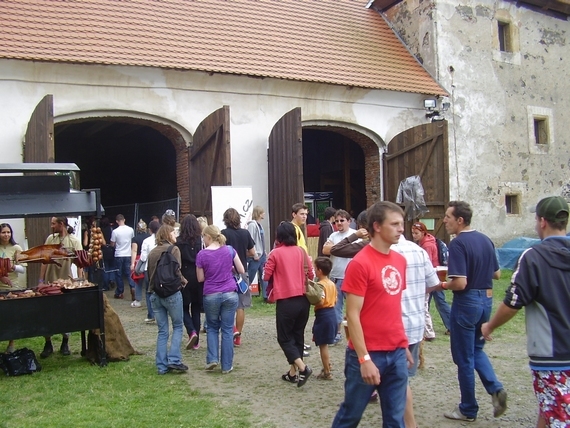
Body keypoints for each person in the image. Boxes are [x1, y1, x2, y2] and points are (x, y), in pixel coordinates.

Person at [481, 196, 570, 428]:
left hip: (552, 356)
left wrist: (489, 326)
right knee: (549, 410)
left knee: (558, 418)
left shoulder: (533, 257)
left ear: (542, 221)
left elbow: (513, 302)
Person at [332, 201, 410, 428]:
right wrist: (364, 358)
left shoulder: (400, 261)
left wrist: (402, 344)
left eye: (402, 224)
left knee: (395, 419)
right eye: (394, 224)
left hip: (395, 353)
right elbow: (352, 315)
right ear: (377, 226)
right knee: (351, 416)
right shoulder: (360, 263)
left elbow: (393, 307)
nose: (400, 229)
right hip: (366, 354)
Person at [441, 200, 507, 422]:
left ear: (460, 220)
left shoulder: (458, 244)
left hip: (466, 302)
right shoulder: (486, 240)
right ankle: (495, 388)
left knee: (464, 358)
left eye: (448, 217)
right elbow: (497, 274)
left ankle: (468, 408)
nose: (444, 221)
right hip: (486, 300)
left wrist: (444, 285)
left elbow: (459, 283)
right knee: (477, 349)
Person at [392, 235, 441, 428]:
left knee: (397, 381)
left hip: (393, 325)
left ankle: (407, 422)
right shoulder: (419, 251)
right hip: (414, 322)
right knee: (402, 379)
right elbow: (434, 283)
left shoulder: (383, 252)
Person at [263, 222, 314, 387]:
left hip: (286, 300)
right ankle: (293, 373)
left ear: (279, 236)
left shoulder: (275, 253)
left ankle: (303, 368)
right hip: (303, 300)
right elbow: (311, 274)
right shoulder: (302, 252)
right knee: (297, 336)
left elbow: (266, 275)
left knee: (284, 338)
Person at [196, 225, 243, 373]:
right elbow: (241, 269)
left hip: (211, 294)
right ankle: (227, 366)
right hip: (230, 292)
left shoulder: (202, 255)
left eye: (203, 236)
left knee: (212, 327)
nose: (203, 239)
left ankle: (212, 359)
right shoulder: (229, 250)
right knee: (228, 329)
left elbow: (200, 278)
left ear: (208, 237)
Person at [38, 216, 83, 358]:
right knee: (47, 314)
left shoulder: (74, 241)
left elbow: (80, 262)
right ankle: (48, 343)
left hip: (65, 284)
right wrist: (41, 280)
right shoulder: (50, 240)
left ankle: (65, 342)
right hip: (50, 283)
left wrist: (78, 281)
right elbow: (44, 261)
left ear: (61, 224)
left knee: (65, 313)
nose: (51, 226)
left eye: (53, 224)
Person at [147, 224, 188, 375]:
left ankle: (161, 366)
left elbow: (150, 274)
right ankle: (174, 359)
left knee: (162, 331)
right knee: (177, 326)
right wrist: (183, 281)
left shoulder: (152, 252)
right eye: (173, 232)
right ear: (167, 235)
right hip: (171, 293)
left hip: (155, 294)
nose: (175, 234)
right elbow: (177, 270)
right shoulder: (174, 250)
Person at [411, 221, 451, 340]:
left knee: (439, 303)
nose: (414, 235)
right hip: (434, 276)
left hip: (432, 277)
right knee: (428, 304)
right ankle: (426, 330)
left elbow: (425, 264)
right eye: (413, 233)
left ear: (423, 232)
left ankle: (436, 330)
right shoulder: (426, 241)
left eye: (416, 233)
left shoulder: (427, 245)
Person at [221, 208, 255, 346]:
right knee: (240, 306)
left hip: (226, 272)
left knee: (225, 304)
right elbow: (252, 252)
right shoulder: (245, 233)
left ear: (225, 220)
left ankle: (232, 329)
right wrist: (241, 254)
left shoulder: (223, 234)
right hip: (242, 272)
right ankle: (238, 336)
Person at [322, 209, 357, 345]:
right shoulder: (333, 235)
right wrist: (343, 248)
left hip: (351, 277)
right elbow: (325, 250)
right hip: (335, 277)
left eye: (342, 220)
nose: (339, 223)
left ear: (349, 221)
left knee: (354, 308)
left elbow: (355, 251)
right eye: (336, 221)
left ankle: (356, 333)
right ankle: (336, 334)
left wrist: (335, 249)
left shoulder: (356, 235)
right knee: (335, 307)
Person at [176, 214, 204, 349]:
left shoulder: (178, 242)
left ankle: (191, 331)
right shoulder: (201, 240)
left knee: (184, 307)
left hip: (184, 277)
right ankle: (196, 340)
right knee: (197, 308)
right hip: (198, 275)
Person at [0, 223, 25, 353]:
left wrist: (13, 267)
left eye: (8, 232)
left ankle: (11, 343)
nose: (6, 235)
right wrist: (1, 276)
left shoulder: (16, 248)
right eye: (3, 232)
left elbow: (23, 269)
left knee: (10, 315)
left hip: (12, 286)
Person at [311, 256, 337, 380]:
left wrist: (312, 299)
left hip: (323, 315)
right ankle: (327, 366)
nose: (314, 270)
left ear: (320, 270)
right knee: (325, 343)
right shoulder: (332, 283)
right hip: (332, 313)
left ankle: (327, 371)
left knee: (323, 345)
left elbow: (320, 302)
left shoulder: (320, 285)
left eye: (315, 268)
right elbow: (336, 300)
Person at [110, 214, 136, 300]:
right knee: (128, 273)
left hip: (119, 254)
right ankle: (133, 286)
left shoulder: (115, 231)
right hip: (128, 254)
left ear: (117, 221)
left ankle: (120, 292)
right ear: (124, 220)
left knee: (118, 274)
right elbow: (132, 240)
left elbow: (112, 243)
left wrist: (113, 245)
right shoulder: (131, 230)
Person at [140, 220, 160, 323]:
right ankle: (161, 314)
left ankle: (151, 314)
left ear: (150, 230)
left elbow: (143, 257)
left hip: (149, 269)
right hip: (161, 269)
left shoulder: (147, 241)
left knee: (149, 292)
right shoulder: (163, 240)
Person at [247, 206, 268, 301]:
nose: (264, 214)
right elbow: (250, 240)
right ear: (259, 214)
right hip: (256, 255)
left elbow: (261, 240)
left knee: (264, 275)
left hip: (262, 254)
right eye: (263, 212)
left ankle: (266, 296)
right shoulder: (252, 225)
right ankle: (244, 293)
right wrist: (254, 253)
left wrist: (264, 251)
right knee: (250, 275)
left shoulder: (259, 225)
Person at [130, 219, 150, 308]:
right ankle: (149, 300)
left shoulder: (135, 239)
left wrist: (132, 264)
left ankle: (138, 300)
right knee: (148, 281)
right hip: (149, 259)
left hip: (139, 259)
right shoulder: (150, 237)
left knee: (138, 281)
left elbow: (134, 250)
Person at [99, 216, 117, 291]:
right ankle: (112, 279)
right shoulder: (112, 229)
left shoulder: (100, 230)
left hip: (104, 249)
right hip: (112, 249)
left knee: (105, 268)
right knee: (112, 266)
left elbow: (103, 242)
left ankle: (105, 286)